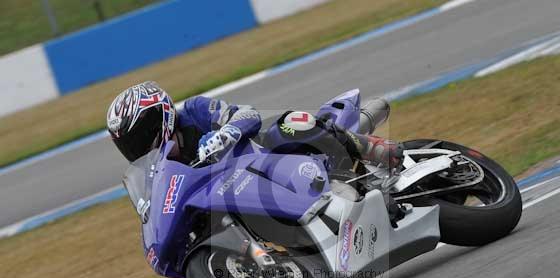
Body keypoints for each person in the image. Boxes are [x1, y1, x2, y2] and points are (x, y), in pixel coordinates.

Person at [106, 81, 402, 167]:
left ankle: (370, 148)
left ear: (160, 117)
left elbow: (246, 114)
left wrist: (227, 133)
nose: (140, 148)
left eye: (140, 136)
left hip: (268, 155)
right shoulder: (160, 171)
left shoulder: (194, 111)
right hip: (237, 191)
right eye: (130, 145)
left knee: (290, 123)